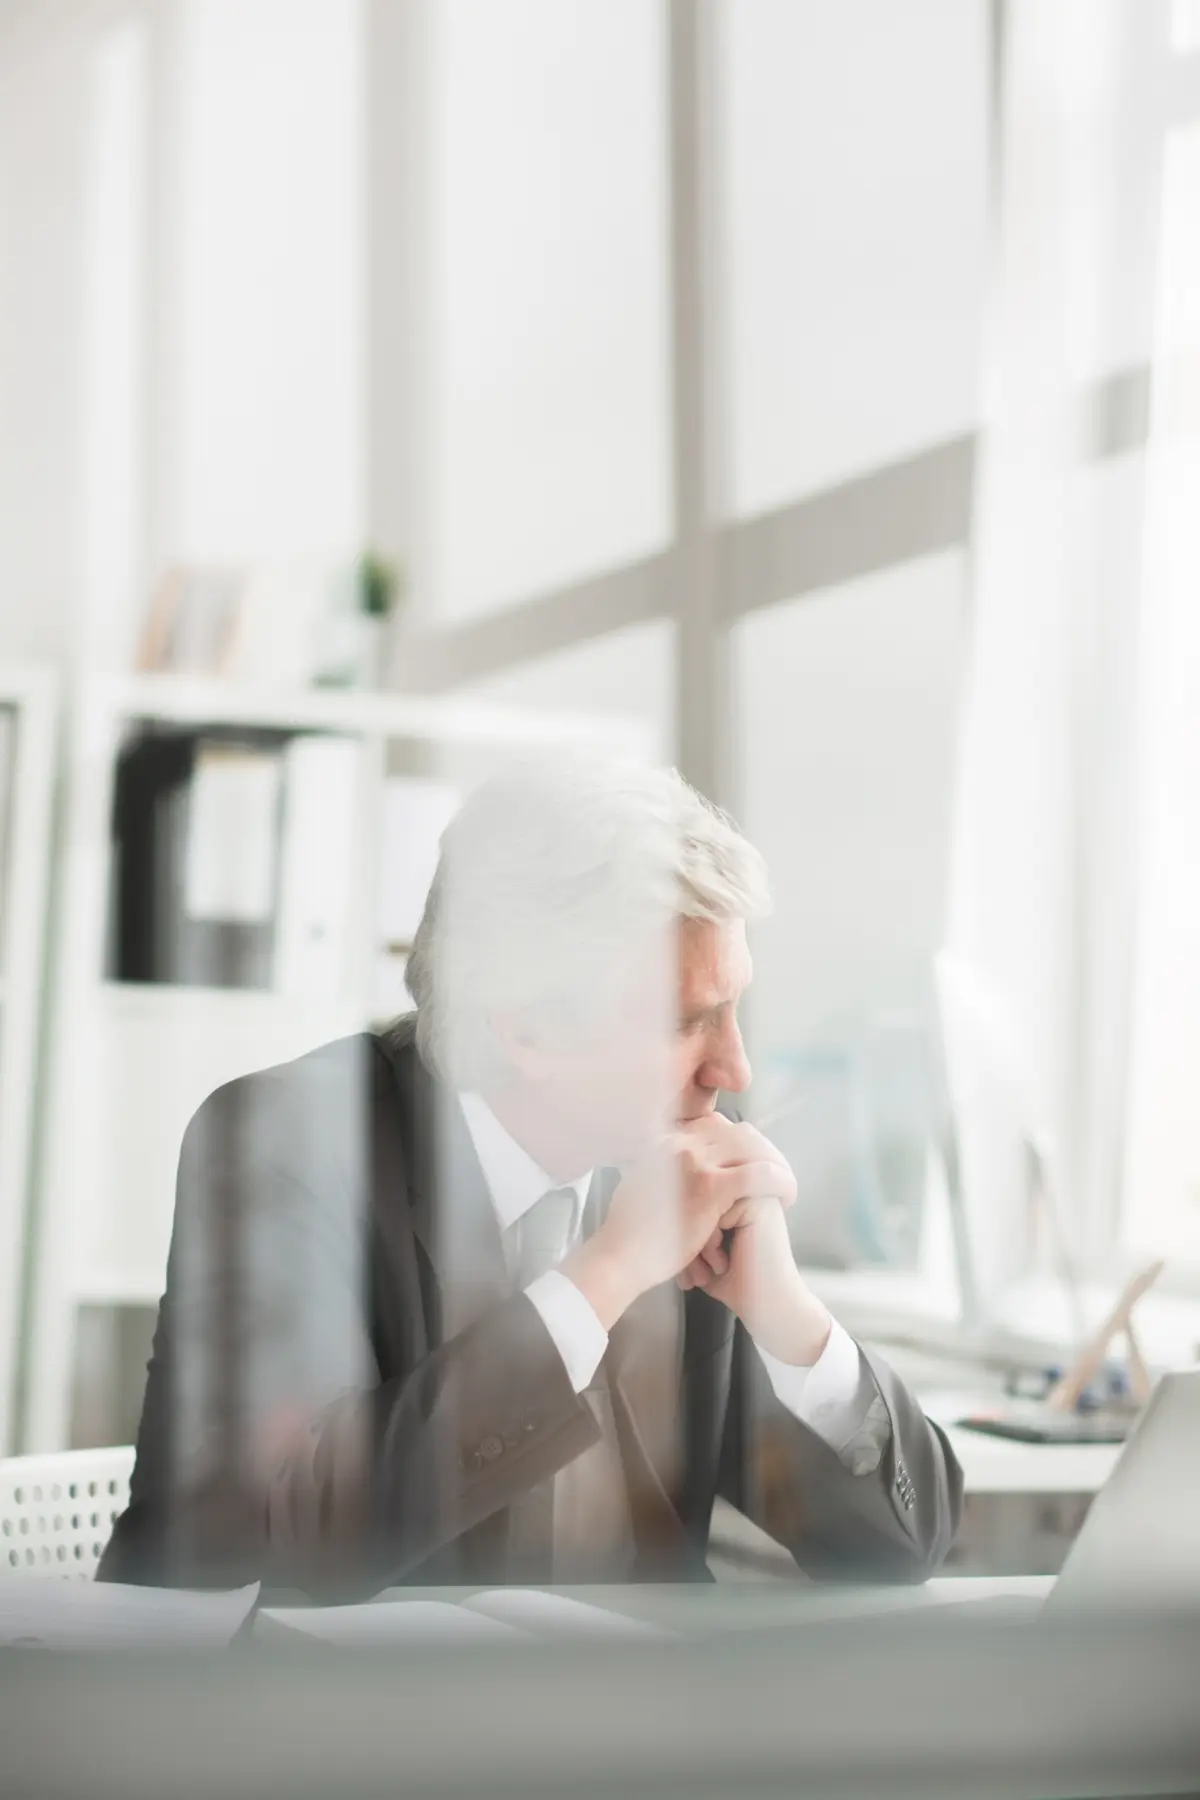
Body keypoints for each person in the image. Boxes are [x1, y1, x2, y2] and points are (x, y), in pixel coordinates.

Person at [101, 755, 961, 1595]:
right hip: (306, 1725)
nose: (732, 1068)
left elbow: (899, 1551)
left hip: (605, 1728)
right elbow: (301, 1527)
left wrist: (789, 1321)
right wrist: (607, 1275)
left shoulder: (681, 1168)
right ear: (527, 1031)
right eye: (689, 1021)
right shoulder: (287, 1140)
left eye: (734, 1007)